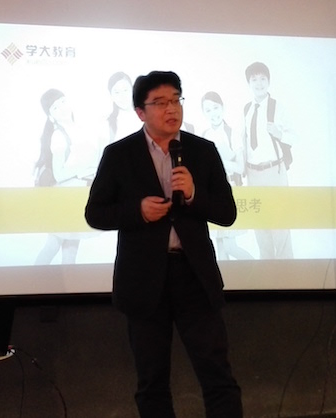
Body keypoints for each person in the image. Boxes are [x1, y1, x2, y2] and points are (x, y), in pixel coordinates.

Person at [85, 71, 243, 418]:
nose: (171, 109)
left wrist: (194, 194)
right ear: (140, 112)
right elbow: (95, 214)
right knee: (152, 381)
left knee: (217, 375)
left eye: (175, 100)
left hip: (194, 277)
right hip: (144, 281)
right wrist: (137, 211)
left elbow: (227, 213)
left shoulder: (202, 151)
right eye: (160, 102)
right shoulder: (119, 154)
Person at [34, 88, 98, 265]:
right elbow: (59, 174)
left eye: (62, 102)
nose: (61, 108)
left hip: (78, 197)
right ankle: (32, 279)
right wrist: (83, 168)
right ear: (51, 116)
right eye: (55, 107)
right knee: (52, 246)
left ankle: (65, 284)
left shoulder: (81, 129)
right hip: (64, 198)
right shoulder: (58, 135)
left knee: (70, 250)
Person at [241, 61, 294, 259]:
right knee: (260, 225)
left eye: (263, 78)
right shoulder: (247, 109)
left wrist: (280, 133)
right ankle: (266, 271)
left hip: (274, 171)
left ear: (269, 81)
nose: (259, 83)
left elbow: (295, 136)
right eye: (254, 79)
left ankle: (287, 272)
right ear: (249, 83)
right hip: (253, 173)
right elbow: (244, 141)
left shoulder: (278, 107)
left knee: (280, 224)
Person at [201, 91, 253, 260]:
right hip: (211, 194)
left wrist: (219, 162)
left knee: (230, 245)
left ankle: (258, 268)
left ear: (222, 108)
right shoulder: (205, 136)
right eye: (208, 110)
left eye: (215, 108)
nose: (213, 113)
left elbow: (240, 167)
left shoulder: (232, 133)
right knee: (221, 247)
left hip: (230, 189)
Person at [106, 71, 142, 144]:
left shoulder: (146, 115)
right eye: (117, 92)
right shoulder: (108, 123)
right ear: (111, 96)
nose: (122, 96)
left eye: (125, 90)